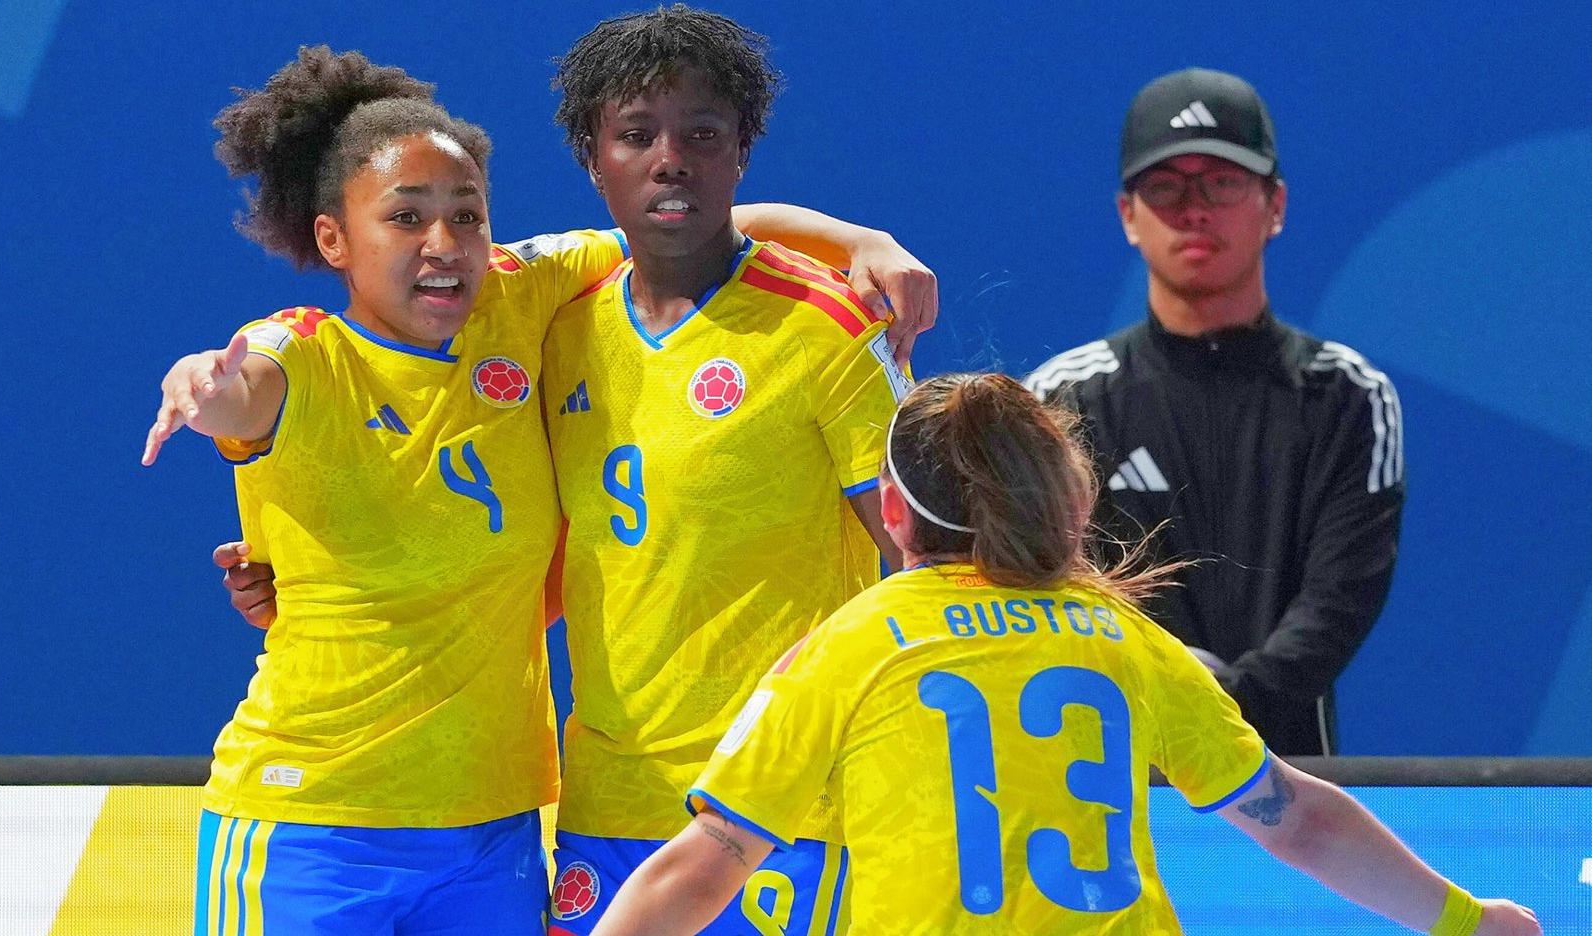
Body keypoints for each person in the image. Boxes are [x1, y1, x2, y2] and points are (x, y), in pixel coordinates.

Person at [586, 373, 1538, 936]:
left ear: (890, 516)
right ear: (1072, 508)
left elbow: (706, 864)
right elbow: (1296, 820)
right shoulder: (1123, 637)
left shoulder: (851, 644)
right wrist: (1467, 921)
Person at [142, 47, 644, 933]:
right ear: (333, 237)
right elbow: (243, 383)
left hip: (493, 831)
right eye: (405, 218)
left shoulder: (516, 298)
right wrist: (200, 382)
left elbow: (680, 225)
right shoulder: (305, 354)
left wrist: (864, 245)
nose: (443, 244)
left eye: (467, 216)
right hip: (312, 826)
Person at [536, 7, 913, 934]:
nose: (671, 159)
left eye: (702, 135)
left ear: (741, 153)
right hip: (606, 804)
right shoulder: (554, 323)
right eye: (637, 136)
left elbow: (927, 568)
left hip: (785, 810)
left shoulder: (829, 329)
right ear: (594, 157)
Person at [1023, 67, 1404, 755]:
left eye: (1222, 182)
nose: (1195, 209)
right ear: (1128, 216)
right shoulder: (1061, 400)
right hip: (1114, 776)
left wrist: (1225, 709)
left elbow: (1339, 603)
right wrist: (1168, 701)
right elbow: (1047, 595)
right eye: (1166, 187)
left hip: (1294, 779)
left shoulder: (1349, 396)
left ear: (1275, 204)